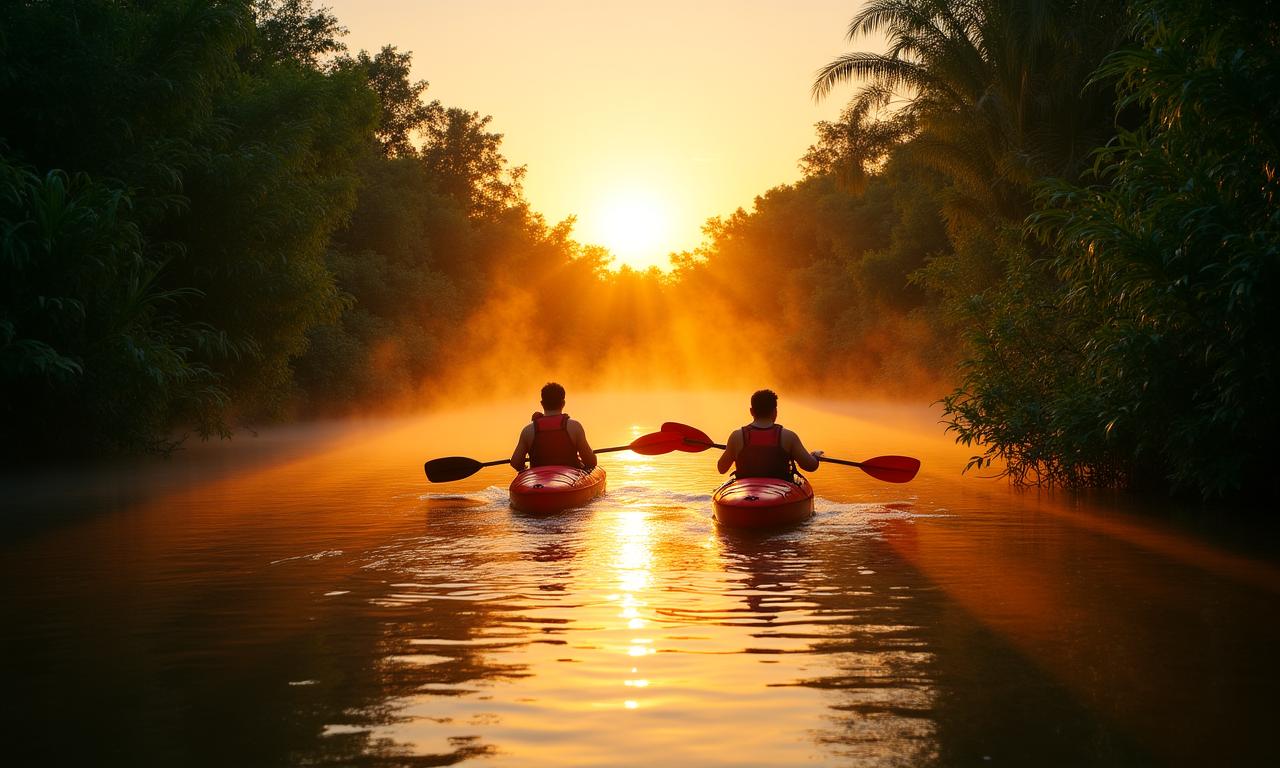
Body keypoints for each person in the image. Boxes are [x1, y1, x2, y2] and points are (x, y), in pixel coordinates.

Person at [717, 389, 822, 480]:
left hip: (745, 494)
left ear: (751, 411)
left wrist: (732, 450)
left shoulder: (736, 436)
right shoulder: (788, 437)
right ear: (775, 411)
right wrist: (815, 456)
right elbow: (810, 466)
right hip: (781, 493)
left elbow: (721, 468)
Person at [511, 382, 597, 471]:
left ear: (542, 403)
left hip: (538, 481)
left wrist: (524, 469)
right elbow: (590, 462)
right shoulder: (574, 427)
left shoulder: (528, 430)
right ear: (563, 403)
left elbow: (515, 463)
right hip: (571, 479)